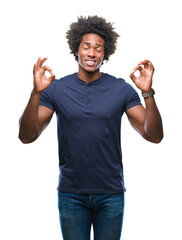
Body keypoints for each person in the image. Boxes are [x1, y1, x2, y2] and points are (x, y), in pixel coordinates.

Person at [19, 16, 163, 240]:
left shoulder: (120, 89)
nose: (91, 53)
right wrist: (36, 93)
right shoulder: (56, 89)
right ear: (76, 49)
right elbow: (27, 136)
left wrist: (148, 93)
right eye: (86, 47)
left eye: (98, 48)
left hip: (111, 194)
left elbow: (154, 136)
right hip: (71, 194)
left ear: (105, 54)